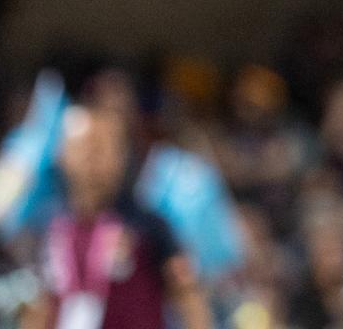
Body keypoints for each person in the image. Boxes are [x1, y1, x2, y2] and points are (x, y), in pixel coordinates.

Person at [26, 105, 213, 329]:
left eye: (101, 148)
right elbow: (42, 306)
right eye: (83, 146)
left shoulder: (148, 226)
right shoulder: (50, 229)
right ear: (62, 154)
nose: (90, 159)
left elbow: (188, 296)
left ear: (122, 155)